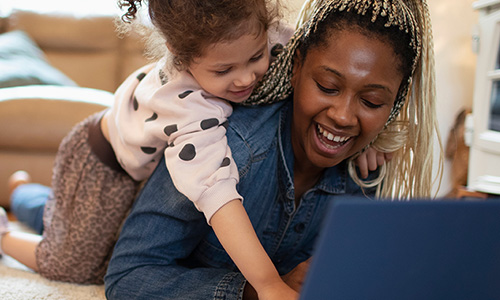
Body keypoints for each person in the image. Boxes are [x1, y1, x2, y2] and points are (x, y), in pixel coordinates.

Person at [0, 0, 383, 288]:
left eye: (255, 57)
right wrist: (267, 284)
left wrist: (366, 138)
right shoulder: (189, 110)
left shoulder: (270, 37)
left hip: (147, 163)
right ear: (182, 59)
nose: (246, 78)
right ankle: (7, 227)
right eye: (223, 70)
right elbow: (217, 196)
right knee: (75, 263)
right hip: (103, 162)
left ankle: (28, 193)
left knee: (97, 231)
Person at [104, 0, 442, 299]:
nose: (343, 116)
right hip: (105, 152)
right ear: (295, 67)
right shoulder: (219, 142)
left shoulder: (367, 171)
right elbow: (128, 276)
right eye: (327, 86)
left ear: (395, 103)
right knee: (69, 257)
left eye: (371, 101)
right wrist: (257, 289)